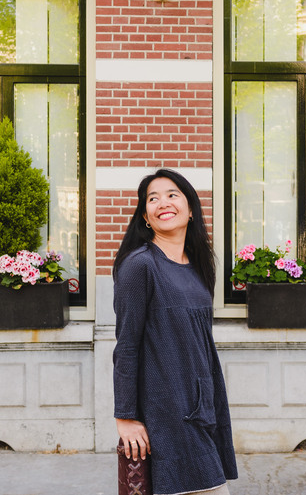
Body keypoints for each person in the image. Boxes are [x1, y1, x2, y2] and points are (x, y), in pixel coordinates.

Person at [113, 169, 238, 495]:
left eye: (172, 195)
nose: (162, 203)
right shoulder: (140, 265)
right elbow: (126, 346)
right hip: (165, 412)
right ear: (146, 217)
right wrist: (125, 417)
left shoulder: (197, 267)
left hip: (201, 406)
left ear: (191, 208)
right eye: (152, 199)